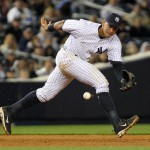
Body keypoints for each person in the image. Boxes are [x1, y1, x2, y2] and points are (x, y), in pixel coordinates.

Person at [0, 13, 139, 138]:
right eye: (110, 26)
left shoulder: (114, 41)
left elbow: (116, 65)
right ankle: (117, 124)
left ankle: (10, 111)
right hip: (67, 56)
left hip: (75, 63)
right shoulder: (84, 26)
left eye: (115, 28)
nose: (112, 30)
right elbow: (63, 24)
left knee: (45, 94)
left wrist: (122, 79)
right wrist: (49, 28)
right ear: (103, 22)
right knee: (101, 83)